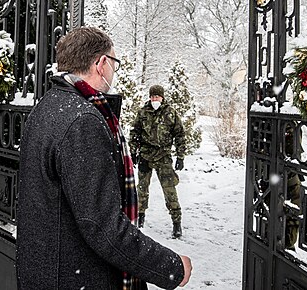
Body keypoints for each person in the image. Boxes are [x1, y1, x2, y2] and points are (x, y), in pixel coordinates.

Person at [16, 27, 192, 290]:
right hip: (74, 276)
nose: (113, 72)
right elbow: (101, 225)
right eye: (114, 63)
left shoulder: (49, 104)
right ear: (102, 64)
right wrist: (171, 267)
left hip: (46, 270)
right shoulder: (82, 121)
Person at [130, 85, 186, 238]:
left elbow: (180, 134)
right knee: (141, 190)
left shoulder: (170, 113)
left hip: (163, 156)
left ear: (162, 97)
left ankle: (176, 223)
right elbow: (135, 133)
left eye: (157, 97)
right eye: (153, 96)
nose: (155, 99)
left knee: (170, 191)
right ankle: (139, 220)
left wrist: (180, 156)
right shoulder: (143, 113)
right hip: (146, 156)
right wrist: (133, 152)